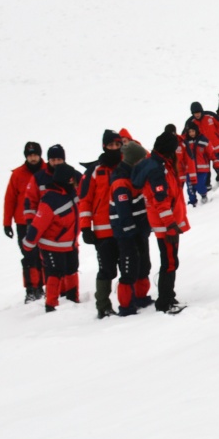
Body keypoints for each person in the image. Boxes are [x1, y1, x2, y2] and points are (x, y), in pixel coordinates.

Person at [134, 131, 190, 314]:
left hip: (165, 222)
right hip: (165, 224)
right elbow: (161, 200)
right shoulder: (158, 169)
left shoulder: (160, 163)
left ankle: (168, 296)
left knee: (170, 261)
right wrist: (170, 224)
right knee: (170, 262)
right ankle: (165, 302)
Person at [78, 130, 125, 318]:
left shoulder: (126, 166)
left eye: (117, 144)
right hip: (103, 231)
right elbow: (85, 200)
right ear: (104, 146)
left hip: (125, 228)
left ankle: (128, 302)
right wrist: (85, 227)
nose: (114, 148)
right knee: (106, 270)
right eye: (111, 145)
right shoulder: (94, 171)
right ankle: (103, 306)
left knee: (128, 269)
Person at [24, 163, 81, 312]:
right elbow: (38, 224)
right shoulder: (49, 200)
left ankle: (73, 300)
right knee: (55, 272)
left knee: (72, 269)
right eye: (71, 179)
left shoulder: (71, 194)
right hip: (52, 245)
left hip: (70, 243)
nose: (74, 181)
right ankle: (51, 305)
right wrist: (28, 244)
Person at [109, 140, 154, 315]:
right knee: (129, 268)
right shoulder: (121, 181)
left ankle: (141, 297)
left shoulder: (135, 175)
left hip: (140, 228)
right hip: (126, 233)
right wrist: (130, 229)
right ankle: (126, 305)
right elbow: (123, 211)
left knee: (144, 264)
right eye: (142, 159)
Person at [3, 141, 47, 302]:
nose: (33, 158)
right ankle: (31, 290)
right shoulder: (17, 175)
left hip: (44, 220)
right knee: (28, 256)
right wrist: (7, 223)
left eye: (35, 155)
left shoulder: (48, 171)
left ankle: (41, 287)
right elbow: (10, 199)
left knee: (43, 255)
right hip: (23, 223)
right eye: (30, 155)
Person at [188, 101, 219, 185]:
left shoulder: (210, 117)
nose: (197, 114)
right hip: (202, 151)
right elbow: (186, 135)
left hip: (216, 147)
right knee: (205, 169)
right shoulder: (191, 122)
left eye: (198, 112)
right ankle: (206, 184)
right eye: (195, 113)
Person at [180, 120, 216, 205]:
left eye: (193, 131)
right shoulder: (184, 142)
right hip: (189, 170)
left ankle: (204, 195)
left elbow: (211, 152)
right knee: (190, 188)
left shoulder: (204, 140)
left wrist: (216, 161)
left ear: (196, 130)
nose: (191, 133)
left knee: (199, 184)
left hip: (202, 169)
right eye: (189, 132)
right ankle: (192, 202)